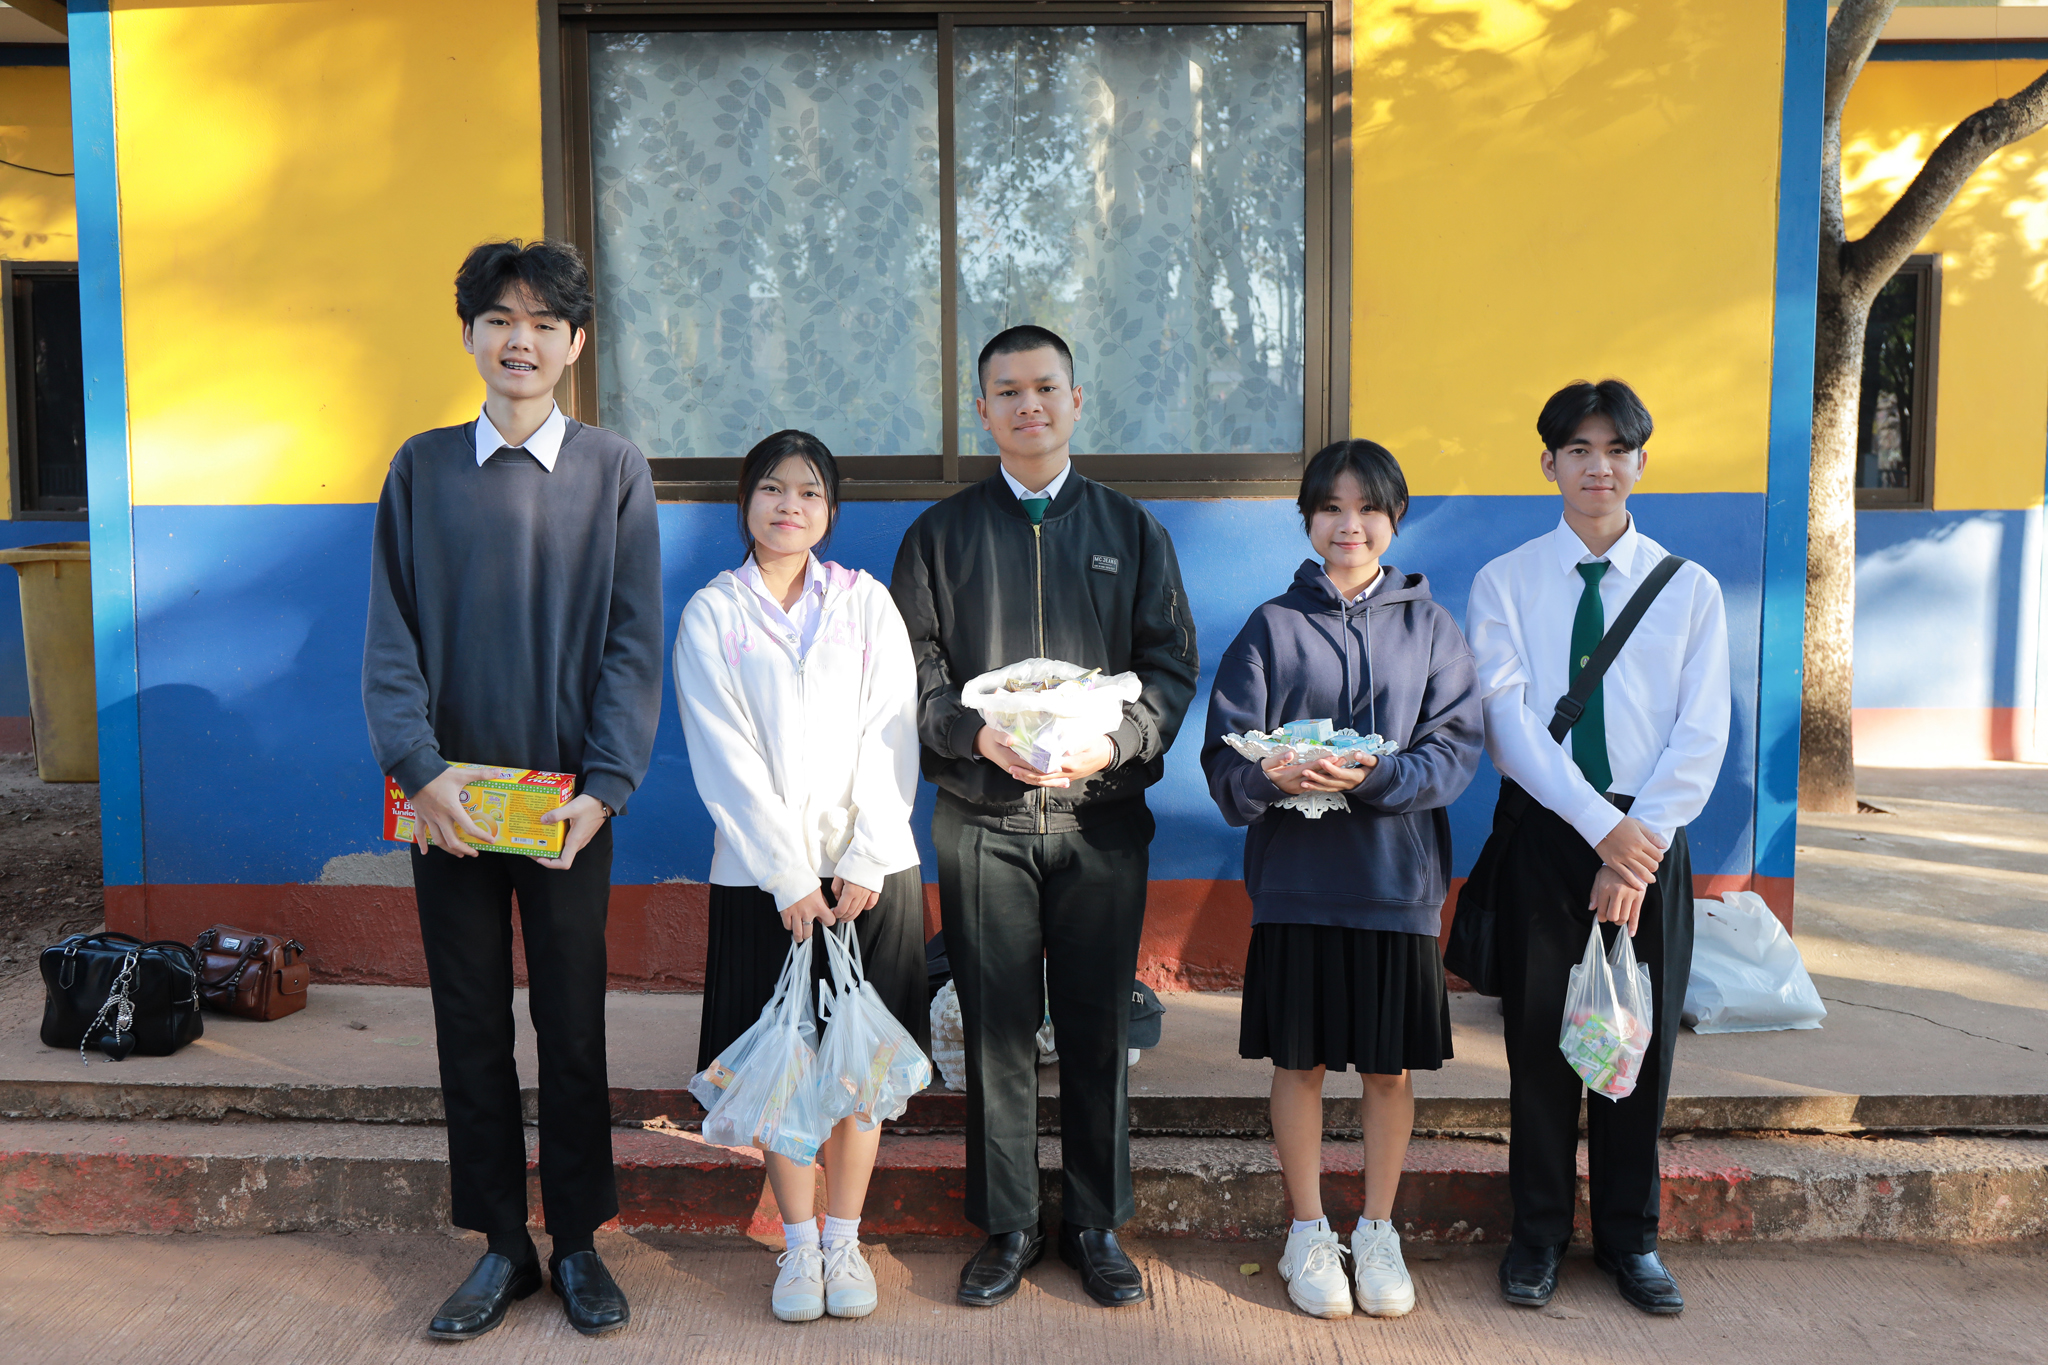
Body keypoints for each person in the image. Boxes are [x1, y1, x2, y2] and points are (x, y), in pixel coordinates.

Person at [362, 239, 663, 1341]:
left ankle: (578, 1240)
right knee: (469, 1023)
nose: (519, 340)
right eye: (499, 319)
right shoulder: (421, 468)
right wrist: (419, 769)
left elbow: (633, 639)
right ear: (469, 336)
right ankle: (500, 1244)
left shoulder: (613, 470)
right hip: (448, 805)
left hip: (567, 809)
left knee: (571, 1022)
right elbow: (390, 634)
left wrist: (607, 785)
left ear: (574, 343)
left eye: (542, 322)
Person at [890, 325, 1198, 1309]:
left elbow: (1169, 666)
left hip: (1099, 820)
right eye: (1008, 391)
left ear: (1075, 400)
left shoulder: (1128, 530)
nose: (1028, 405)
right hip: (981, 818)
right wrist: (973, 735)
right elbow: (912, 671)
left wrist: (1119, 742)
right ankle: (1010, 1222)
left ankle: (1096, 1223)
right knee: (996, 1026)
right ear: (981, 409)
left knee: (1098, 1023)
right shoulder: (940, 536)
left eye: (1045, 388)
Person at [1201, 440, 1483, 1320]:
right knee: (1300, 1062)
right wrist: (1271, 773)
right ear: (1308, 518)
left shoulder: (1432, 628)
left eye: (1367, 507)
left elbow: (1455, 750)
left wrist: (1376, 775)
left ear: (1394, 518)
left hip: (1397, 886)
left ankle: (1379, 1229)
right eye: (1330, 506)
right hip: (1297, 883)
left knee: (1388, 1069)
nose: (1349, 523)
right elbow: (1224, 760)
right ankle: (1307, 1229)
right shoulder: (1271, 626)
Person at [1466, 379, 1729, 1316]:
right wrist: (1601, 832)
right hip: (1551, 831)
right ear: (1549, 463)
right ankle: (1537, 1234)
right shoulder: (1504, 582)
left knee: (1636, 1046)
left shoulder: (1689, 589)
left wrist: (1635, 844)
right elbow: (1509, 725)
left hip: (1651, 838)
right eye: (1578, 448)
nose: (1598, 466)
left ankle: (1631, 1238)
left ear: (1641, 463)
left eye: (1617, 449)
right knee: (1542, 1044)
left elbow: (1702, 731)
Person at [673, 430, 926, 1324]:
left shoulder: (865, 604)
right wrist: (786, 873)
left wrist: (867, 853)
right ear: (745, 501)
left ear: (831, 510)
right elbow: (725, 756)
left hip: (868, 877)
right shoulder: (714, 613)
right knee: (779, 1066)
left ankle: (845, 1237)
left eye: (810, 492)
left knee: (858, 1065)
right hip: (763, 883)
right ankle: (800, 1243)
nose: (790, 506)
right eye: (773, 489)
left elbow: (894, 729)